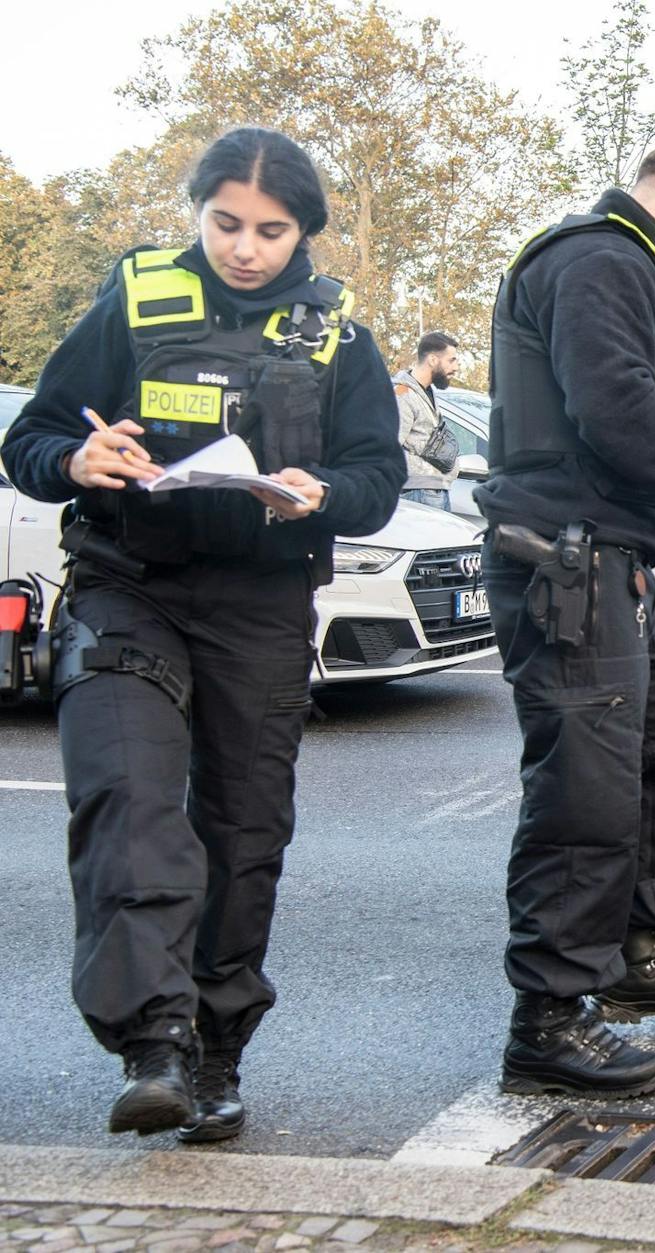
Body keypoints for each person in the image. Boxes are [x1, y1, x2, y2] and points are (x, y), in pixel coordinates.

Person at [0, 127, 405, 1140]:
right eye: (225, 223)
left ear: (303, 232)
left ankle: (217, 1050)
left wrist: (324, 494)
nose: (245, 248)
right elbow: (32, 438)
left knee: (243, 827)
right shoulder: (133, 302)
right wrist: (74, 458)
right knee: (127, 797)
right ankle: (155, 1038)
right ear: (197, 213)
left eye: (271, 230)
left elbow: (378, 478)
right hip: (126, 586)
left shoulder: (340, 338)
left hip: (260, 605)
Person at [476, 133, 655, 1097]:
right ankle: (549, 1018)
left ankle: (641, 948)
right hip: (562, 568)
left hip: (614, 555)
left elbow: (604, 450)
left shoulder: (632, 272)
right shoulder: (600, 260)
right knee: (585, 796)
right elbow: (615, 420)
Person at [392, 330, 462, 508]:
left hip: (433, 489)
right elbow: (390, 447)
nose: (456, 367)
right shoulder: (403, 393)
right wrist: (424, 471)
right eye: (451, 360)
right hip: (419, 491)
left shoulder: (426, 391)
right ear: (432, 360)